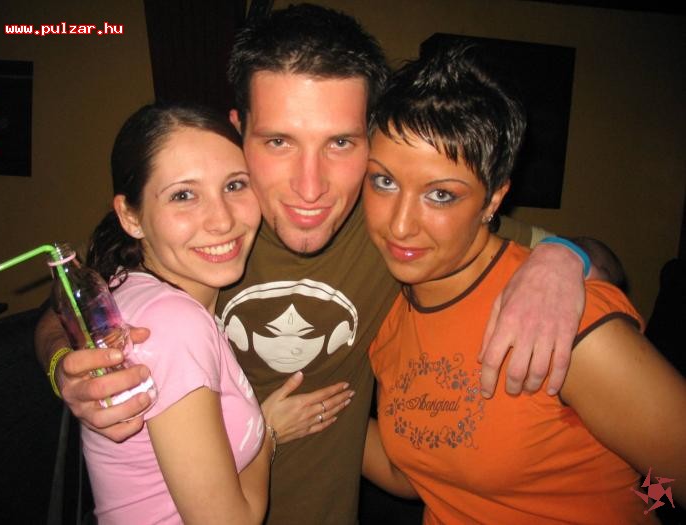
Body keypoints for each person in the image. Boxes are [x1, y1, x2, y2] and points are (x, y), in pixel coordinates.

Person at [35, 5, 590, 524]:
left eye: (340, 143)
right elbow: (60, 311)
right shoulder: (201, 237)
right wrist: (65, 365)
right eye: (279, 141)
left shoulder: (397, 232)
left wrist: (563, 261)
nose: (310, 187)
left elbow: (575, 251)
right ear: (238, 130)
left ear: (371, 140)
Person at [361, 41, 686, 524]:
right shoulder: (389, 315)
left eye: (441, 195)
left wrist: (646, 501)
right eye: (384, 182)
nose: (400, 225)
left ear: (493, 200)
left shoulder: (570, 322)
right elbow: (416, 474)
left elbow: (672, 482)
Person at [78, 103, 352, 524]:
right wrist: (267, 434)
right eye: (183, 195)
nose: (222, 220)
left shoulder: (127, 286)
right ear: (130, 216)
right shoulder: (173, 323)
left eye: (235, 185)